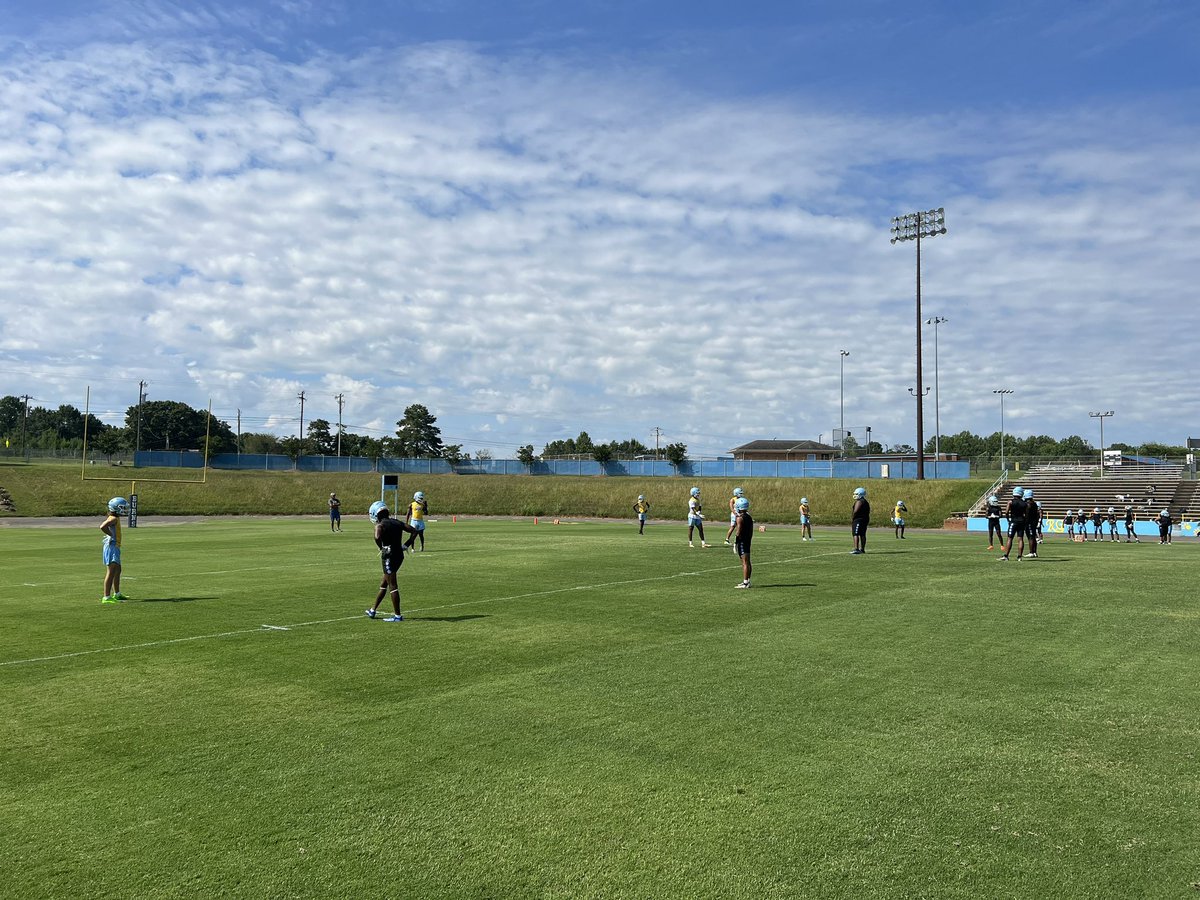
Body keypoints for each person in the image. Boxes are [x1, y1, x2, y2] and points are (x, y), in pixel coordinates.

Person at [366, 502, 418, 622]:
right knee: (384, 583)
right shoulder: (396, 522)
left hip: (389, 557)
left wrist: (381, 547)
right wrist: (406, 544)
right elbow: (414, 531)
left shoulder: (380, 525)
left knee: (393, 586)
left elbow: (377, 537)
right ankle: (373, 610)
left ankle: (397, 616)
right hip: (399, 555)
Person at [99, 496, 130, 603]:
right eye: (122, 507)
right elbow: (102, 526)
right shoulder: (113, 518)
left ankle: (117, 594)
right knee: (111, 571)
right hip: (112, 547)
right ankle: (106, 597)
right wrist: (110, 534)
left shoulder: (116, 518)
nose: (125, 510)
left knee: (118, 570)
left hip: (115, 547)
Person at [999, 486, 1027, 561]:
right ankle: (1019, 557)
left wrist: (1008, 520)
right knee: (1020, 539)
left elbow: (1006, 512)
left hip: (1013, 521)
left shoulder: (1010, 502)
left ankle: (1006, 556)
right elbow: (1026, 514)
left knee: (1010, 538)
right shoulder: (1024, 503)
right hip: (1021, 522)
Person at [733, 496, 754, 588]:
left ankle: (745, 583)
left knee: (744, 562)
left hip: (742, 541)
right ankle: (747, 581)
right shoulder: (749, 517)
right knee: (747, 561)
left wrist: (735, 542)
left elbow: (738, 531)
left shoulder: (740, 518)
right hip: (747, 540)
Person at [850, 486, 870, 555]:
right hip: (865, 519)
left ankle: (856, 548)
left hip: (858, 520)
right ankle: (862, 549)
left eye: (856, 494)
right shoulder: (865, 502)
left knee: (856, 534)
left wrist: (853, 517)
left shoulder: (860, 501)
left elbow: (856, 511)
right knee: (862, 534)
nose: (855, 495)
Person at [1023, 488, 1039, 558]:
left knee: (1030, 537)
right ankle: (1034, 552)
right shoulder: (1034, 503)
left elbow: (1027, 514)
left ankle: (1031, 552)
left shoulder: (1028, 504)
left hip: (1029, 522)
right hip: (1033, 522)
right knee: (1033, 537)